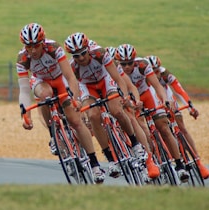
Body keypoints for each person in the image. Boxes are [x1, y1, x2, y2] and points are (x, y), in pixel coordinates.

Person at [16, 23, 106, 184]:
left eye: (36, 45)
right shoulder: (22, 58)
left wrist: (75, 99)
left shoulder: (53, 48)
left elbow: (71, 77)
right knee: (45, 95)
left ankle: (95, 164)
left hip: (60, 79)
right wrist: (25, 114)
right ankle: (53, 135)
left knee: (76, 121)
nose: (33, 50)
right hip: (41, 81)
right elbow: (23, 90)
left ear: (42, 42)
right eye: (29, 47)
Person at [64, 32, 160, 179]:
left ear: (88, 49)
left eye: (83, 53)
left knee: (116, 110)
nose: (81, 58)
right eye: (76, 56)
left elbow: (118, 79)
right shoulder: (73, 66)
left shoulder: (100, 54)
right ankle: (110, 158)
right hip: (87, 86)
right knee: (93, 116)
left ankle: (135, 144)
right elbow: (76, 88)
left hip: (105, 80)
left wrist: (125, 96)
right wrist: (76, 101)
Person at [114, 43, 190, 183]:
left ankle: (179, 165)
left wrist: (165, 100)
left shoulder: (142, 65)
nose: (127, 67)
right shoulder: (116, 70)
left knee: (163, 127)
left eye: (130, 63)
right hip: (131, 99)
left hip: (147, 95)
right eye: (123, 64)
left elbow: (157, 86)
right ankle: (149, 158)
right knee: (138, 127)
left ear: (135, 60)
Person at [145, 55, 209, 179]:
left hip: (166, 98)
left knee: (181, 126)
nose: (155, 74)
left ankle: (198, 161)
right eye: (152, 71)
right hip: (151, 99)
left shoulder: (165, 74)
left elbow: (178, 89)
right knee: (158, 127)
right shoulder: (142, 77)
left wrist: (190, 106)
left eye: (157, 71)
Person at [106, 47, 160, 179]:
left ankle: (149, 158)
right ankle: (114, 158)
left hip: (122, 98)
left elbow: (131, 87)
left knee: (133, 118)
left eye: (114, 62)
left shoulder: (118, 70)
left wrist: (134, 101)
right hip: (107, 99)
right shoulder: (98, 71)